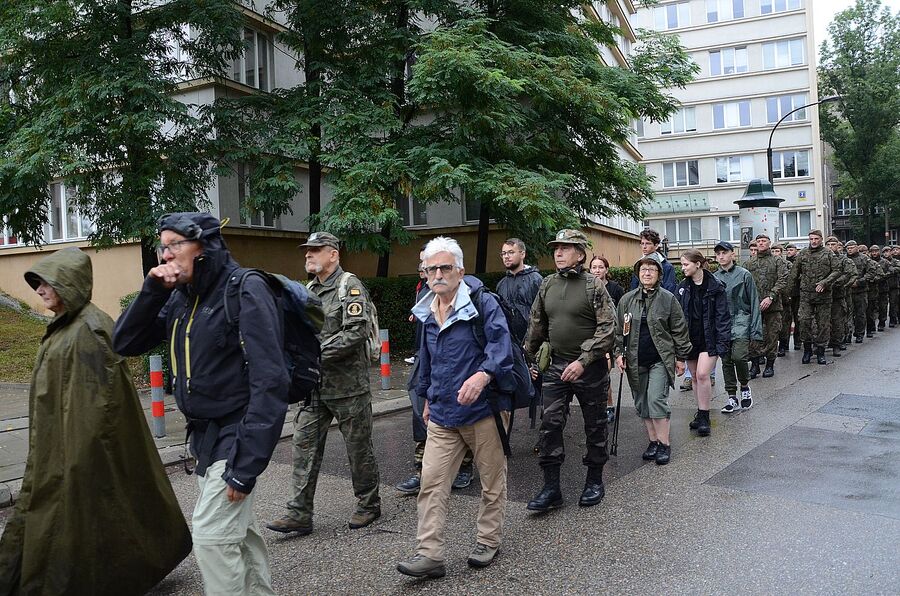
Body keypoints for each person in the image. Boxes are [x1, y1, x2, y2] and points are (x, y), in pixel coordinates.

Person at [0, 248, 191, 595]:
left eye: (47, 283)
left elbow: (95, 406)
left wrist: (73, 460)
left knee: (78, 517)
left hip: (74, 449)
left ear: (70, 283)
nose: (40, 290)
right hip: (56, 443)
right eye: (37, 283)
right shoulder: (67, 325)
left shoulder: (88, 330)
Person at [113, 213, 286, 595]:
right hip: (204, 436)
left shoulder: (244, 289)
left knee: (211, 537)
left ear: (204, 247)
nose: (166, 254)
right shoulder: (180, 297)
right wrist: (152, 290)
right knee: (238, 536)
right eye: (163, 245)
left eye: (176, 244)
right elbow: (124, 342)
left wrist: (246, 465)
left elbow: (270, 381)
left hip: (237, 432)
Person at [396, 236, 514, 578]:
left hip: (484, 411)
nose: (437, 274)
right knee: (431, 482)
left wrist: (483, 375)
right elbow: (427, 358)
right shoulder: (427, 308)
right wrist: (429, 396)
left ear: (459, 271)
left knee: (492, 480)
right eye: (431, 269)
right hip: (444, 414)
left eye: (445, 267)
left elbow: (501, 345)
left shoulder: (482, 303)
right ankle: (429, 553)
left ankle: (488, 540)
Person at [267, 231, 381, 535]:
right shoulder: (307, 290)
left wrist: (314, 356)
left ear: (334, 254)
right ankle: (299, 513)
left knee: (358, 449)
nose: (308, 255)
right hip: (314, 387)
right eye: (307, 251)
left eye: (315, 250)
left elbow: (355, 332)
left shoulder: (349, 287)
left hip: (348, 387)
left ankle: (368, 503)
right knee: (303, 446)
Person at [524, 229, 616, 512]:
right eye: (556, 248)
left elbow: (608, 328)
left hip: (589, 368)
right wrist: (528, 359)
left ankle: (594, 480)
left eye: (565, 248)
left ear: (579, 253)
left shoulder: (593, 285)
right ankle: (551, 488)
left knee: (595, 424)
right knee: (550, 424)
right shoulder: (548, 284)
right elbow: (536, 325)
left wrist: (583, 360)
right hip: (556, 366)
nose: (558, 253)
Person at [398, 249, 475, 495]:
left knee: (460, 411)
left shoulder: (464, 292)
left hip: (455, 360)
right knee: (420, 411)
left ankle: (464, 466)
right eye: (426, 263)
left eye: (437, 265)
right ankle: (422, 470)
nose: (430, 268)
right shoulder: (423, 289)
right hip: (426, 358)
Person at [615, 255, 691, 465]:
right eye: (643, 270)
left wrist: (681, 357)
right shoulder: (627, 300)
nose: (646, 273)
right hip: (634, 359)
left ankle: (664, 444)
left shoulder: (668, 299)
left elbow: (679, 329)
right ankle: (653, 441)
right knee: (642, 403)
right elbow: (619, 331)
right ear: (638, 274)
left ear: (659, 274)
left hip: (660, 359)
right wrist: (618, 353)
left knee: (656, 399)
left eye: (651, 270)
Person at [676, 249, 731, 437]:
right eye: (682, 264)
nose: (682, 268)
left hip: (710, 338)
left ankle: (705, 416)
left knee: (702, 374)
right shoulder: (683, 286)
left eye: (685, 264)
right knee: (694, 377)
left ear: (697, 264)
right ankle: (700, 413)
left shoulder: (716, 286)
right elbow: (678, 315)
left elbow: (723, 317)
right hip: (690, 338)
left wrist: (723, 343)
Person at [712, 241, 762, 413]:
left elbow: (754, 301)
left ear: (733, 254)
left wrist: (756, 330)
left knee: (739, 357)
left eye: (724, 253)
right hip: (722, 324)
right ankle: (731, 396)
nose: (721, 256)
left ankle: (745, 387)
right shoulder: (714, 278)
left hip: (742, 320)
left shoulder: (744, 275)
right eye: (718, 254)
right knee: (726, 360)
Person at [788, 230, 843, 365]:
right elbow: (794, 274)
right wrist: (788, 293)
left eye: (816, 239)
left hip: (823, 296)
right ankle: (807, 349)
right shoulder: (803, 254)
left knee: (823, 324)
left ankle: (820, 351)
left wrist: (825, 282)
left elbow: (837, 270)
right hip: (806, 295)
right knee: (804, 321)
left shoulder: (828, 253)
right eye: (811, 238)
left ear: (821, 239)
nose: (813, 241)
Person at [745, 234, 788, 378]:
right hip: (754, 306)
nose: (761, 243)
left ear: (769, 243)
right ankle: (755, 365)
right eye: (759, 241)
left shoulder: (777, 261)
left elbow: (783, 279)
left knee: (772, 335)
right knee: (754, 336)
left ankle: (770, 365)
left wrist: (771, 296)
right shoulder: (750, 263)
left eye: (764, 241)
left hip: (773, 305)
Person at [590, 255, 624, 423]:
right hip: (592, 336)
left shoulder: (615, 289)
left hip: (611, 335)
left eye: (600, 267)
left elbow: (623, 313)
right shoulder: (586, 287)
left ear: (606, 270)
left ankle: (609, 406)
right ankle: (598, 406)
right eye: (594, 267)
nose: (597, 270)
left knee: (604, 372)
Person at [496, 237, 543, 337]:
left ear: (522, 254)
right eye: (503, 253)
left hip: (533, 341)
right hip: (510, 342)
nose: (506, 256)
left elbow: (543, 312)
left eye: (511, 252)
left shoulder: (536, 280)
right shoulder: (501, 284)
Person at [825, 236, 857, 357]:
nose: (831, 247)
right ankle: (821, 343)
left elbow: (850, 274)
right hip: (823, 297)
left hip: (838, 295)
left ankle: (837, 344)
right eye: (828, 245)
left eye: (833, 244)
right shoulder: (822, 258)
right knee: (821, 322)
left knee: (838, 321)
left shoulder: (844, 260)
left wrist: (842, 285)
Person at [629, 228, 677, 293]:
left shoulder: (667, 267)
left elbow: (669, 292)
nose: (644, 247)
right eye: (642, 243)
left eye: (648, 243)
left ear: (656, 246)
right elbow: (633, 289)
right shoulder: (638, 265)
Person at [846, 240, 874, 344]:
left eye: (852, 248)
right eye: (848, 248)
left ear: (857, 248)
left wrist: (860, 282)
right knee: (847, 314)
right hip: (847, 291)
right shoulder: (844, 259)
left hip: (860, 291)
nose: (850, 250)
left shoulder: (864, 258)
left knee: (860, 314)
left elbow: (871, 272)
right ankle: (847, 334)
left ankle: (859, 333)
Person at [783, 243, 802, 350]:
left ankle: (797, 341)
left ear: (796, 251)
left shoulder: (798, 262)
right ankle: (785, 343)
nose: (789, 252)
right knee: (786, 320)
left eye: (791, 249)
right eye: (788, 250)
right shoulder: (783, 262)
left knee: (797, 318)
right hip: (786, 294)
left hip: (797, 294)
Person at [869, 245, 890, 332]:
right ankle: (872, 325)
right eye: (872, 251)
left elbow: (890, 271)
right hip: (872, 289)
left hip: (882, 288)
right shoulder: (868, 261)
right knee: (872, 308)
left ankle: (882, 322)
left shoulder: (885, 262)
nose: (874, 253)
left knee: (882, 306)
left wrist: (882, 277)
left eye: (876, 251)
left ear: (879, 252)